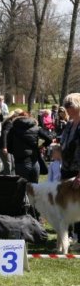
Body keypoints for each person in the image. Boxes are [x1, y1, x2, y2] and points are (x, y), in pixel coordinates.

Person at [7, 111, 52, 183]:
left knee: (22, 189)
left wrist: (16, 151)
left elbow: (9, 148)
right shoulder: (36, 128)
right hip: (34, 161)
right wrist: (42, 146)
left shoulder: (13, 129)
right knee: (34, 189)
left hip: (20, 162)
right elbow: (49, 139)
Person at [59, 93, 80, 237]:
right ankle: (72, 235)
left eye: (70, 105)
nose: (67, 108)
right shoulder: (69, 124)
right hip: (66, 169)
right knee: (68, 204)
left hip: (78, 171)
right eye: (65, 105)